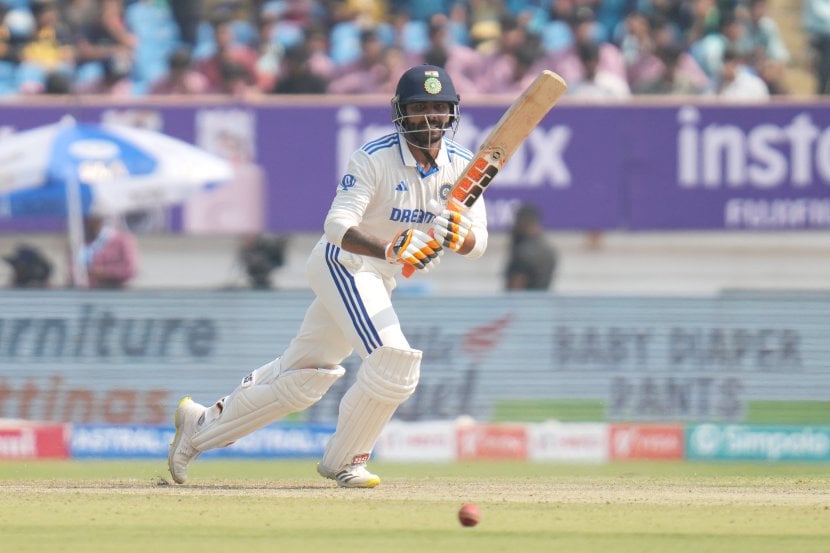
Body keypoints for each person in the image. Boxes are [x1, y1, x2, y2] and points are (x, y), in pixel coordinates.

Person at [168, 64, 488, 488]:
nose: (429, 118)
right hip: (344, 265)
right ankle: (346, 460)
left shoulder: (464, 166)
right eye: (418, 108)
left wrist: (459, 235)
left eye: (438, 108)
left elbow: (478, 242)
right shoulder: (374, 157)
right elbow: (336, 226)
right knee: (393, 362)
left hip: (379, 278)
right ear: (401, 112)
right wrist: (389, 247)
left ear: (452, 114)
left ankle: (199, 427)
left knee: (305, 375)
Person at [72, 214, 139, 289]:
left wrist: (103, 272)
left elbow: (130, 270)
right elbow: (72, 270)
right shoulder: (81, 241)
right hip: (86, 292)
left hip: (116, 292)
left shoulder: (123, 240)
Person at [504, 203, 557, 291]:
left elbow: (516, 289)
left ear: (523, 223)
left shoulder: (523, 253)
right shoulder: (548, 249)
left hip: (524, 302)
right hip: (542, 301)